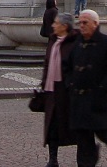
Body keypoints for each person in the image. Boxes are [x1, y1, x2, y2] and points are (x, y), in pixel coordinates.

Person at [65, 10, 107, 167]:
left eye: (85, 23)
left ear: (95, 23)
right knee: (83, 137)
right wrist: (70, 84)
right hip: (79, 100)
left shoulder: (106, 43)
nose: (82, 26)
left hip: (98, 100)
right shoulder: (77, 43)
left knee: (103, 133)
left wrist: (103, 88)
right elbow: (67, 66)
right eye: (80, 23)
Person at [40, 12, 79, 167]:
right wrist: (44, 83)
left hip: (67, 91)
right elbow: (47, 62)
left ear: (65, 26)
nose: (53, 25)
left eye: (56, 23)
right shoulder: (53, 40)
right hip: (52, 90)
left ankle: (83, 159)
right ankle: (53, 159)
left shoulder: (75, 42)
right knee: (52, 126)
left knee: (76, 128)